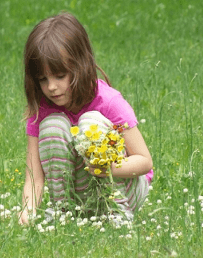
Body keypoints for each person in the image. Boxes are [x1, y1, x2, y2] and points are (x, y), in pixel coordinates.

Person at [19, 12, 153, 224]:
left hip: (124, 189)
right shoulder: (42, 110)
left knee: (90, 122)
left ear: (80, 66)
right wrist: (28, 211)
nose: (51, 87)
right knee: (53, 125)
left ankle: (115, 215)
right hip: (82, 195)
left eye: (60, 76)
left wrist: (107, 168)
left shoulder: (108, 101)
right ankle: (63, 212)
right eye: (43, 79)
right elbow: (34, 177)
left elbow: (145, 162)